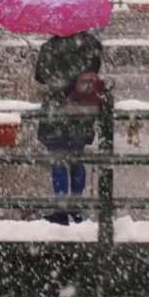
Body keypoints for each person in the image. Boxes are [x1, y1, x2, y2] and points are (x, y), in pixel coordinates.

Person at [34, 31, 106, 225]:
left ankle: (61, 210)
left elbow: (40, 77)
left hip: (56, 112)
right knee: (76, 159)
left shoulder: (49, 48)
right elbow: (94, 72)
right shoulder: (91, 45)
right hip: (81, 113)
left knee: (58, 160)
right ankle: (75, 209)